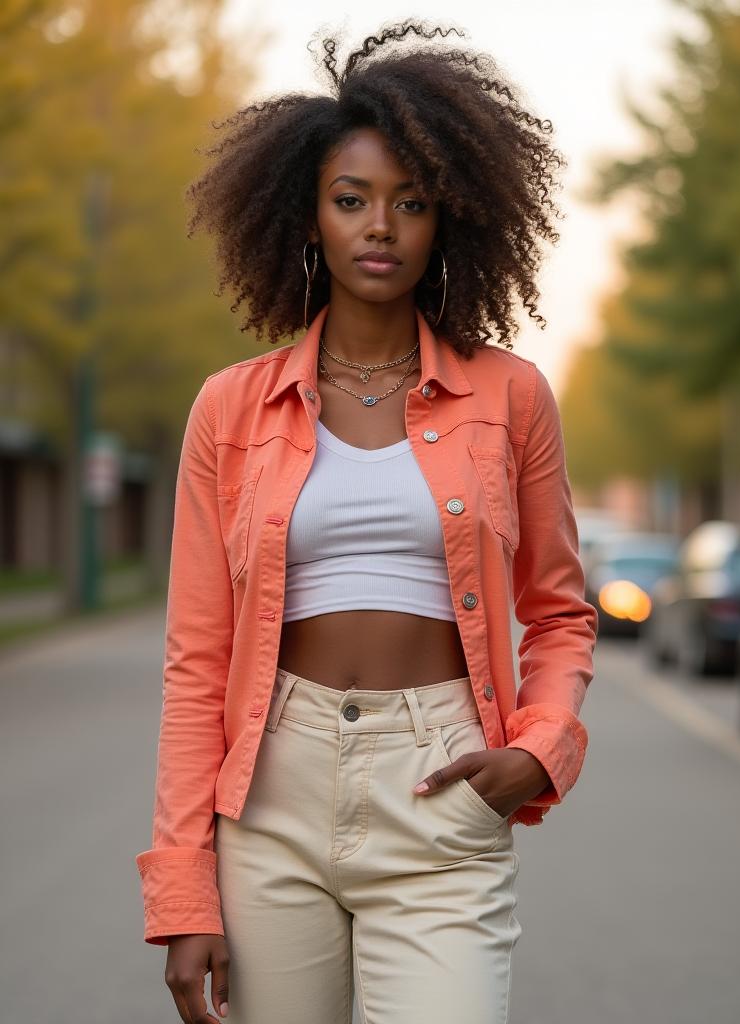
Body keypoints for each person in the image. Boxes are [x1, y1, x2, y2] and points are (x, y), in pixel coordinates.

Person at [135, 19, 598, 1024]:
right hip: (270, 796)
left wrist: (544, 743)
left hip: (443, 783)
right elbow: (196, 660)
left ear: (448, 220)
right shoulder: (230, 408)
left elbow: (560, 613)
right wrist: (183, 888)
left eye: (409, 202)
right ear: (308, 220)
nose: (379, 226)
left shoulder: (510, 396)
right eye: (351, 201)